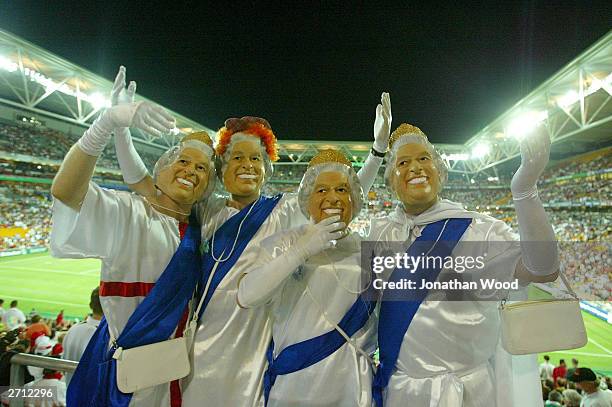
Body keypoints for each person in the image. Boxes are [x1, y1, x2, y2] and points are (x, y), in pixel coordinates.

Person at [115, 93, 391, 406]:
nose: (247, 165)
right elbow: (144, 185)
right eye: (237, 157)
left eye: (255, 159)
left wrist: (377, 153)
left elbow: (342, 197)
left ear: (266, 167)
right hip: (198, 353)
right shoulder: (205, 211)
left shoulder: (282, 211)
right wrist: (119, 129)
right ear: (220, 168)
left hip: (254, 354)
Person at [50, 66, 215, 407]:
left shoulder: (201, 225)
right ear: (161, 170)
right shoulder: (130, 212)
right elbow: (66, 190)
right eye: (183, 161)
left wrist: (121, 134)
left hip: (178, 376)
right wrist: (106, 125)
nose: (191, 171)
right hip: (126, 382)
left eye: (202, 168)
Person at [369, 123, 560, 406]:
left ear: (439, 171)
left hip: (468, 393)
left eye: (424, 158)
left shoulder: (478, 229)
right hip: (399, 391)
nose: (416, 168)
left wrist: (524, 190)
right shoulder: (379, 232)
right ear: (390, 181)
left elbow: (542, 270)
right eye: (403, 162)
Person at [238, 150, 382, 406]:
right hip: (295, 385)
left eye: (342, 190)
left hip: (353, 388)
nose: (333, 198)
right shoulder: (284, 243)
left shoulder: (372, 250)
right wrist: (301, 250)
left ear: (355, 200)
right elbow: (247, 295)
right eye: (321, 190)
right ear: (306, 199)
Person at [62, 287, 103, 385]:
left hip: (70, 392)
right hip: (90, 397)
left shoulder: (73, 329)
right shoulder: (102, 335)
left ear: (91, 305)